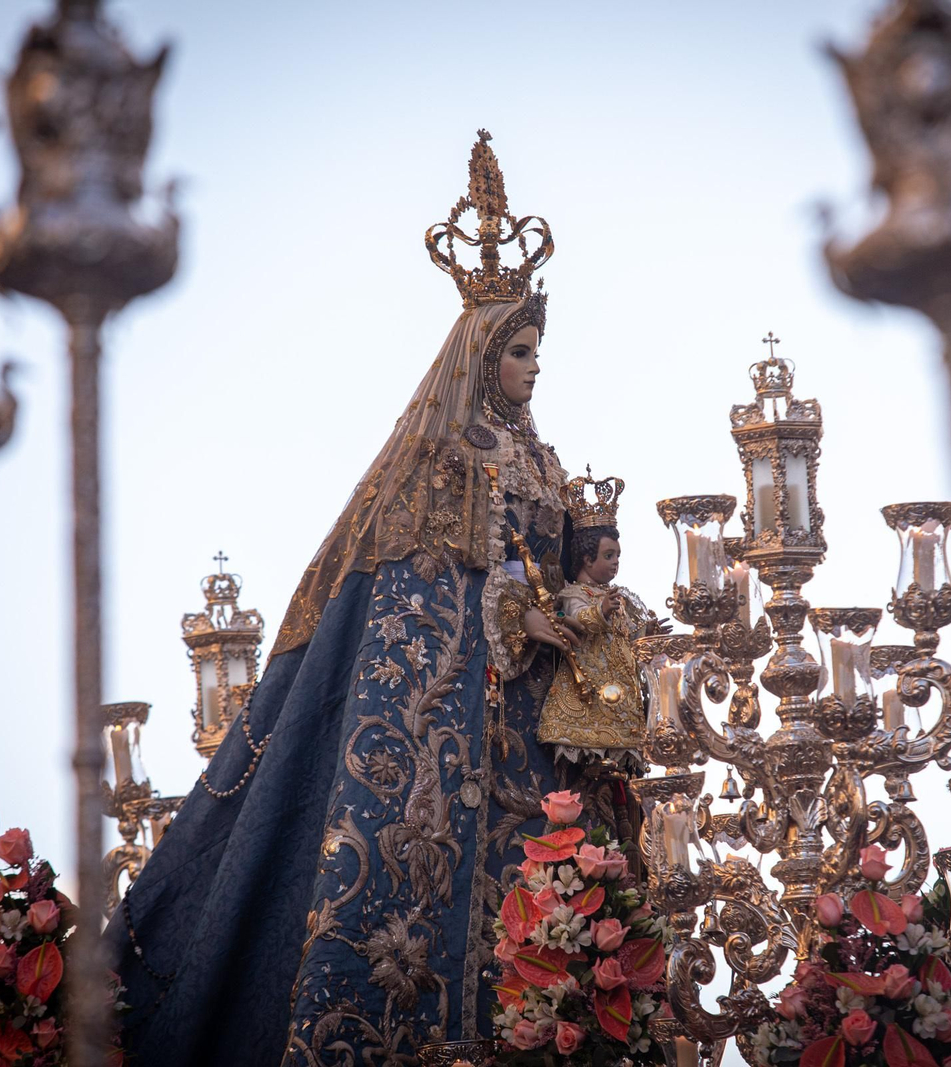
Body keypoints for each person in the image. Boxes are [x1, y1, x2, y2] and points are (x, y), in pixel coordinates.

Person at [107, 132, 585, 1067]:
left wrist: (587, 610)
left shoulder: (541, 462)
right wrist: (514, 617)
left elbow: (559, 566)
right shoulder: (443, 467)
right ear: (483, 357)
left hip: (542, 719)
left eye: (538, 353)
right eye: (521, 351)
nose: (535, 369)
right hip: (455, 724)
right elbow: (427, 606)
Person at [536, 470, 659, 771]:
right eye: (609, 555)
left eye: (618, 555)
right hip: (588, 690)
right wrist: (600, 610)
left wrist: (646, 633)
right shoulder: (573, 592)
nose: (616, 562)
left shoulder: (619, 596)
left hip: (622, 694)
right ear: (587, 559)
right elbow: (575, 616)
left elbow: (627, 633)